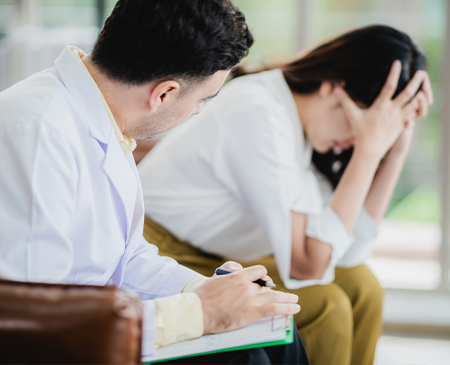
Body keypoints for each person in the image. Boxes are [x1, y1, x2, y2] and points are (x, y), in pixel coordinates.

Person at [0, 1, 310, 364]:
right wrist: (200, 312)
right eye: (203, 99)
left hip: (100, 323)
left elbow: (126, 258)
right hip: (61, 345)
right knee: (247, 359)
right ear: (163, 93)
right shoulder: (35, 133)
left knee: (275, 330)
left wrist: (206, 290)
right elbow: (34, 317)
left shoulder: (103, 117)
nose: (198, 111)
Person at [138, 25, 434, 365]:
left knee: (363, 285)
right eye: (368, 124)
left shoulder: (303, 127)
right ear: (334, 88)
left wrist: (394, 151)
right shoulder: (259, 110)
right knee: (327, 306)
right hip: (166, 251)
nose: (360, 138)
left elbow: (350, 252)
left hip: (220, 253)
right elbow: (307, 264)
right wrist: (369, 151)